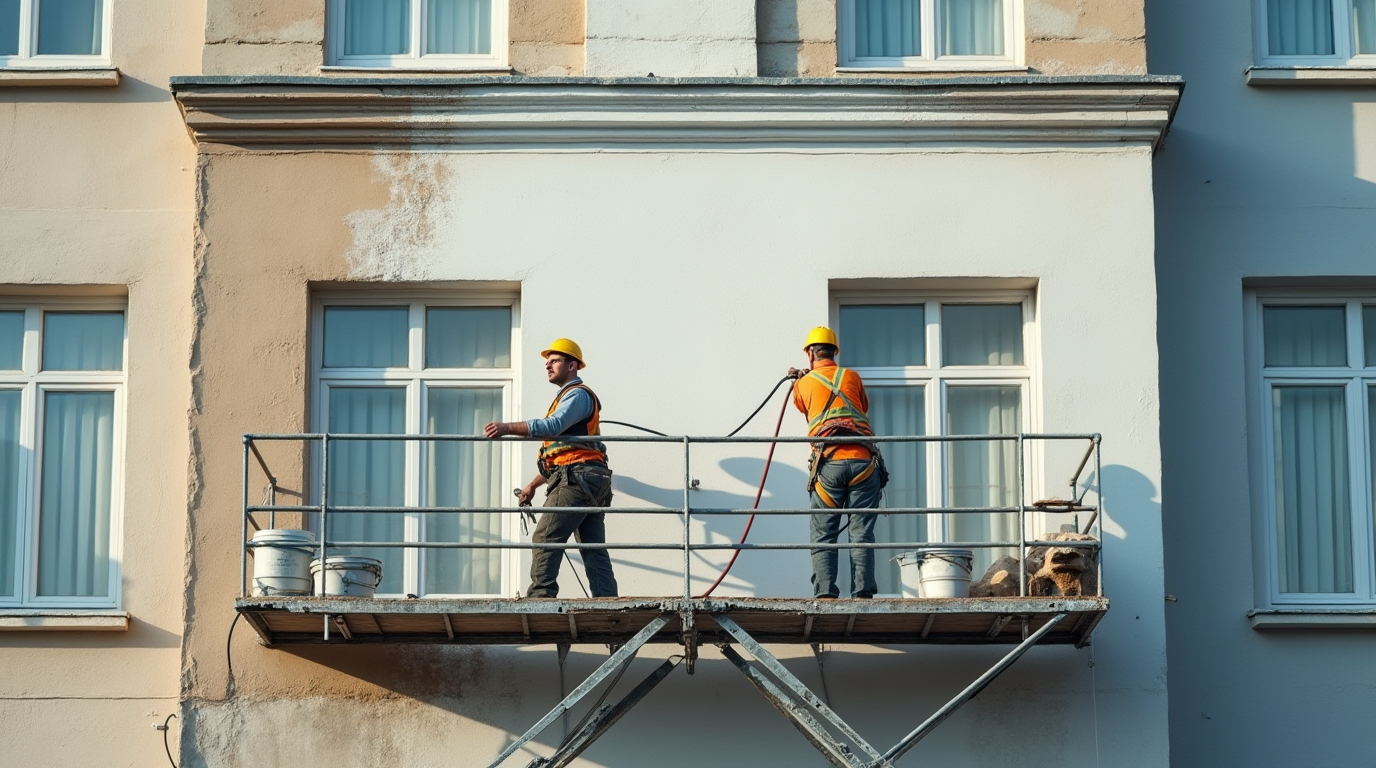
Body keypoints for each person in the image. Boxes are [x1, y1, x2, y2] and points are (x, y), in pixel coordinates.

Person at [484, 338, 618, 598]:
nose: (547, 364)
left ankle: (541, 598)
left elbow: (553, 427)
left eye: (555, 360)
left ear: (572, 365)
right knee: (593, 549)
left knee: (545, 537)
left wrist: (507, 428)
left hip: (578, 479)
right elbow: (562, 455)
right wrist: (533, 485)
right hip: (587, 478)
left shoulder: (577, 395)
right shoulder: (568, 398)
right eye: (548, 360)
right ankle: (608, 604)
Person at [788, 327, 885, 599]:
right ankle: (863, 592)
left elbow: (803, 405)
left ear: (810, 353)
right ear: (834, 352)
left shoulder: (803, 384)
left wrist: (802, 377)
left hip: (828, 464)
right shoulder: (851, 376)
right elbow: (862, 407)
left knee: (823, 534)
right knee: (861, 533)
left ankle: (826, 593)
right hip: (863, 462)